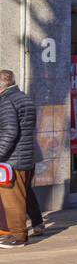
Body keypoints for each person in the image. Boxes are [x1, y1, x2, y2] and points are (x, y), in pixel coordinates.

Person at [0, 70, 37, 249]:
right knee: (21, 196)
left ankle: (18, 236)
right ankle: (18, 233)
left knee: (12, 199)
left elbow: (9, 131)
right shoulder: (23, 98)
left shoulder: (6, 101)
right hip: (26, 156)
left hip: (12, 159)